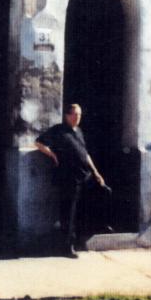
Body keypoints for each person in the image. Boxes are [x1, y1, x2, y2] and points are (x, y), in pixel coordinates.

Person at [34, 103, 107, 258]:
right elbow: (38, 142)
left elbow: (85, 154)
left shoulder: (79, 131)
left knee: (93, 202)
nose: (77, 117)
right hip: (68, 178)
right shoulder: (59, 130)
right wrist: (52, 154)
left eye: (79, 115)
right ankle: (67, 247)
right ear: (67, 115)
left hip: (84, 176)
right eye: (74, 114)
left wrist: (96, 172)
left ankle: (84, 237)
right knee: (68, 213)